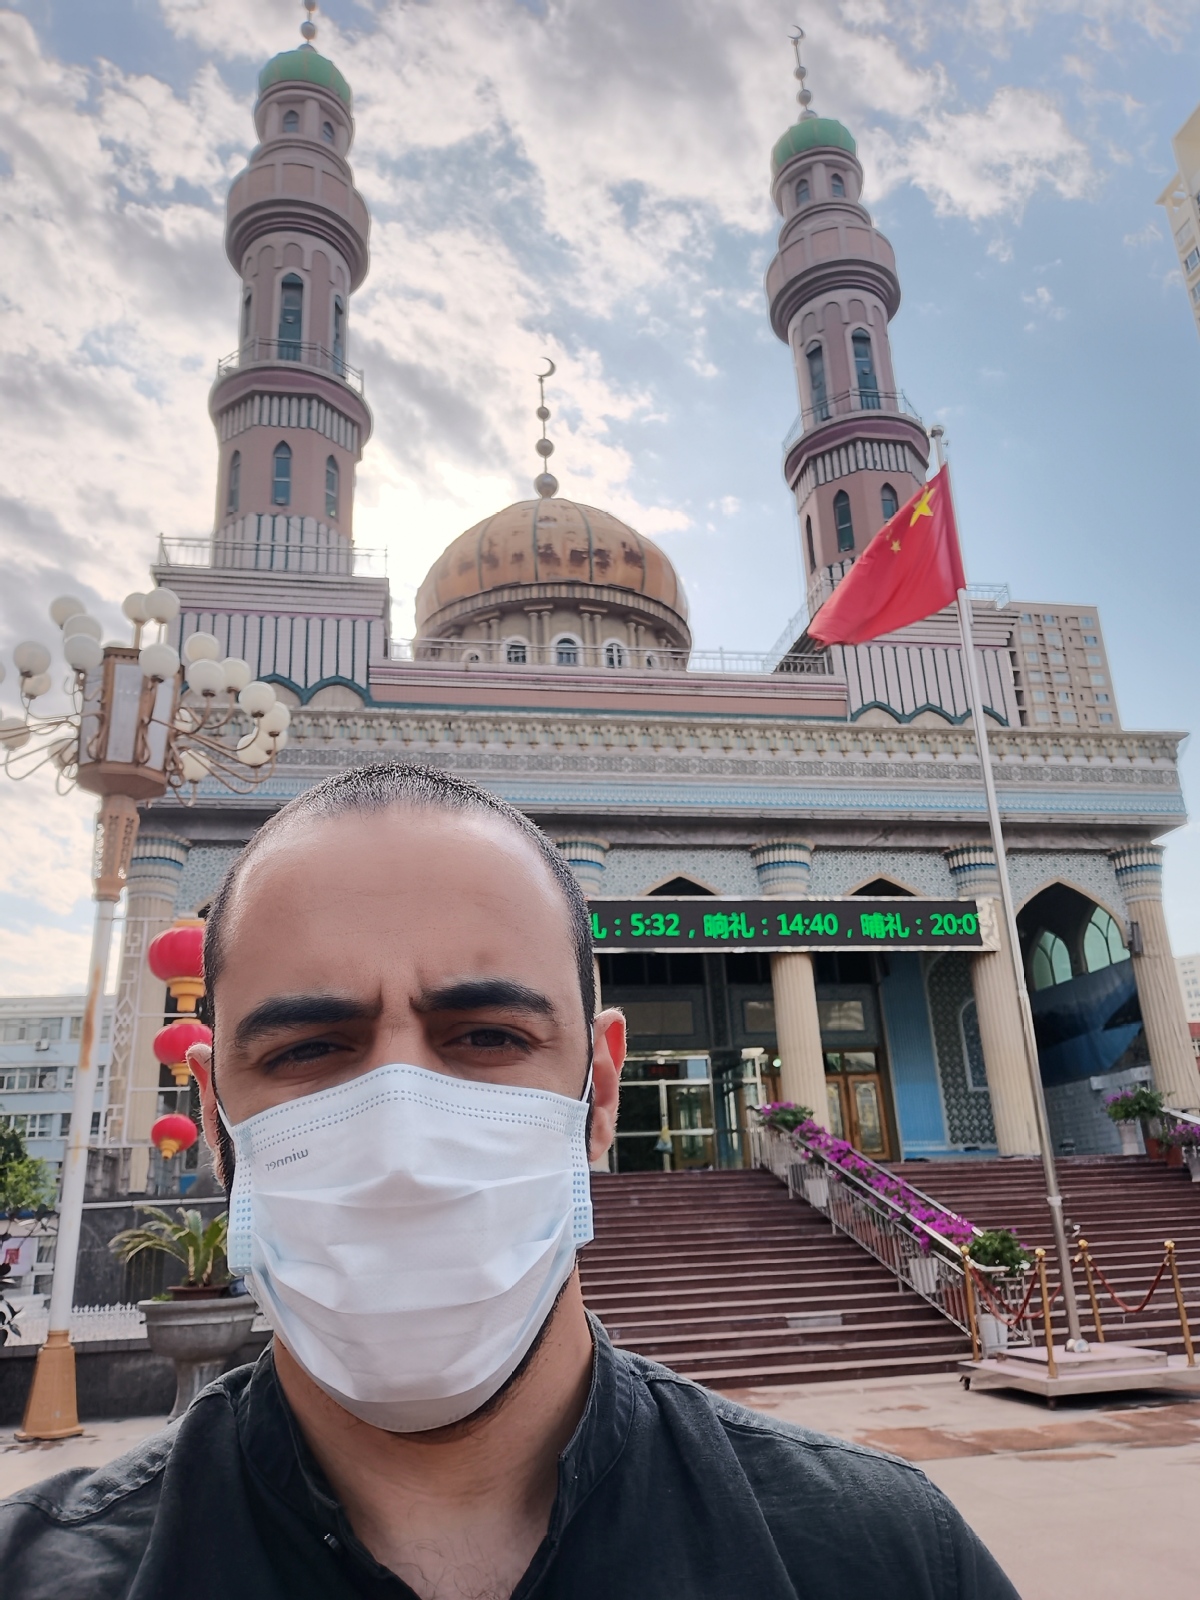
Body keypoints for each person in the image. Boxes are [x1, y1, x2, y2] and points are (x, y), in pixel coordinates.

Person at [0, 763, 1018, 1599]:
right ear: (216, 1119)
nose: (402, 1144)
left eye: (487, 1036)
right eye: (311, 1049)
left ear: (601, 1093)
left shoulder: (880, 1560)